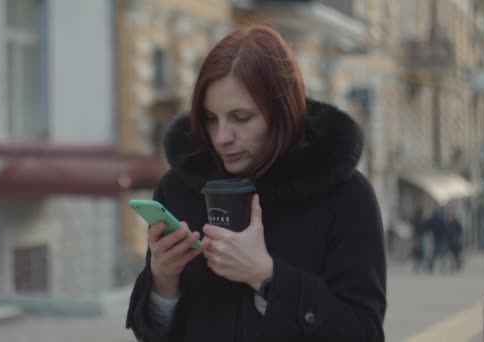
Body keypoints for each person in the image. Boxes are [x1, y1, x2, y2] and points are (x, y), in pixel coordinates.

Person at [126, 24, 386, 342]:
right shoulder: (179, 188)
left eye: (241, 117)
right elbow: (153, 334)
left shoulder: (345, 196)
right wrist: (163, 281)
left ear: (282, 113)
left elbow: (363, 332)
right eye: (210, 118)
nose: (222, 137)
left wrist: (267, 276)